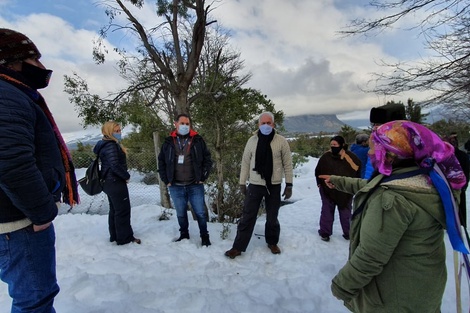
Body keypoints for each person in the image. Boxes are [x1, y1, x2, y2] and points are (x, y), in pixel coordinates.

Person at [322, 121, 466, 313]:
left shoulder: (391, 200)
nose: (371, 154)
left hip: (394, 299)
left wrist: (341, 286)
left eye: (374, 149)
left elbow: (370, 256)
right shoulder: (425, 179)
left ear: (389, 153)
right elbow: (373, 185)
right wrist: (339, 181)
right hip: (424, 290)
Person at [0, 28, 79, 312]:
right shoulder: (7, 96)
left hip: (15, 220)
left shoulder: (14, 94)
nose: (43, 68)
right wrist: (42, 211)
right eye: (36, 59)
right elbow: (11, 163)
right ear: (13, 60)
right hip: (18, 224)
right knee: (35, 299)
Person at [224, 112, 293, 259]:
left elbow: (288, 164)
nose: (266, 126)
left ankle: (272, 242)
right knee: (248, 216)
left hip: (274, 184)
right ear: (258, 125)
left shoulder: (281, 141)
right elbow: (245, 163)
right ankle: (238, 247)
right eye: (263, 123)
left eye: (269, 123)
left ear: (273, 124)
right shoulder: (252, 141)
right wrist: (242, 182)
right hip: (255, 184)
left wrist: (289, 184)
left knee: (272, 216)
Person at [158, 114, 213, 246]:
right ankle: (184, 235)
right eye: (182, 123)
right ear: (175, 124)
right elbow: (161, 162)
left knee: (200, 212)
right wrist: (167, 180)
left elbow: (207, 159)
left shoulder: (198, 140)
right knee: (181, 213)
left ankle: (205, 236)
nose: (185, 126)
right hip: (175, 185)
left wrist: (203, 177)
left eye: (187, 124)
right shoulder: (168, 142)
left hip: (194, 184)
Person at [94, 121, 141, 245]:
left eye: (120, 130)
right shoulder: (111, 146)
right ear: (109, 131)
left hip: (108, 182)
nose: (119, 133)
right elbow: (115, 165)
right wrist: (126, 176)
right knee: (123, 210)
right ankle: (124, 238)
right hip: (115, 181)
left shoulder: (104, 144)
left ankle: (115, 235)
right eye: (116, 131)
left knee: (114, 210)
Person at [315, 136, 361, 241]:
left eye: (335, 145)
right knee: (327, 211)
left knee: (345, 212)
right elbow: (318, 170)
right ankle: (325, 232)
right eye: (331, 145)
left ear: (342, 145)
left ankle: (349, 233)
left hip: (345, 190)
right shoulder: (325, 156)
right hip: (327, 189)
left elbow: (357, 170)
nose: (333, 147)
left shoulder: (351, 157)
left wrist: (354, 185)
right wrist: (319, 183)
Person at [364, 102, 406, 179]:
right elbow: (369, 175)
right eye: (374, 124)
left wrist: (373, 152)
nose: (375, 128)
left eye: (379, 124)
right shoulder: (376, 142)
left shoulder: (405, 148)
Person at [448, 132, 470, 227]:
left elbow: (466, 171)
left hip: (459, 185)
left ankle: (461, 223)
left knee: (460, 206)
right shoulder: (445, 156)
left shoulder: (461, 156)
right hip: (451, 185)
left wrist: (464, 185)